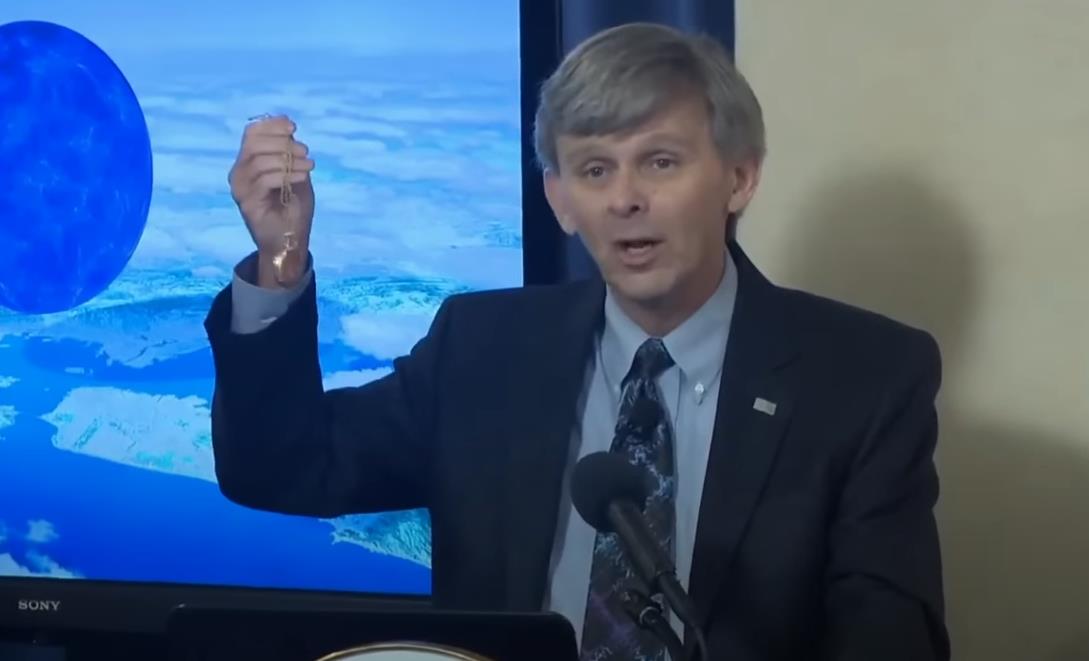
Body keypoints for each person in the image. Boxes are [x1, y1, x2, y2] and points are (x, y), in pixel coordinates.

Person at [204, 21, 950, 661]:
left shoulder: (863, 379)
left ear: (738, 177)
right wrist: (280, 258)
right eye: (594, 169)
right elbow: (281, 468)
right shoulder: (484, 348)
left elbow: (890, 641)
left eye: (659, 161)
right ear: (560, 200)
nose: (625, 198)